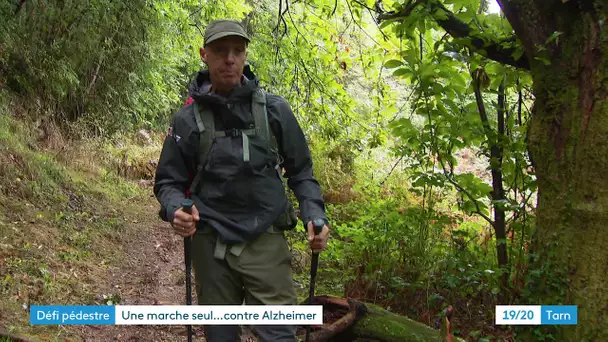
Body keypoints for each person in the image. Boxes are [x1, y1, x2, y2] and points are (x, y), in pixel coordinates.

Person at [153, 19, 330, 342]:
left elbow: (301, 171)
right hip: (211, 244)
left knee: (279, 335)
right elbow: (168, 182)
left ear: (246, 54)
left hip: (266, 241)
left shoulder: (274, 111)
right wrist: (176, 208)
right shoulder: (187, 120)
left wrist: (314, 214)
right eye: (221, 51)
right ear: (204, 55)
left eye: (237, 50)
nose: (230, 59)